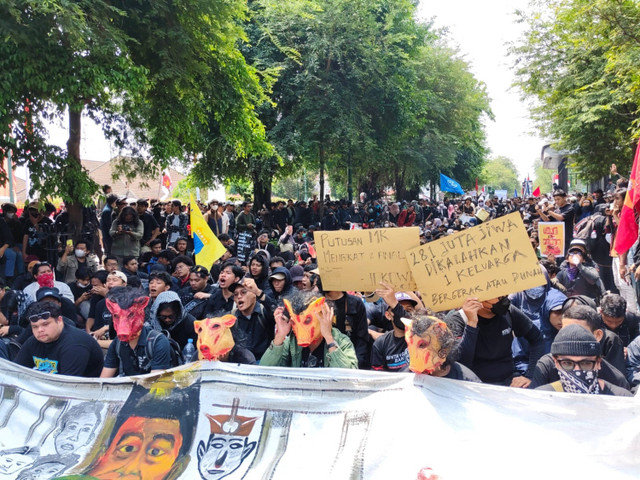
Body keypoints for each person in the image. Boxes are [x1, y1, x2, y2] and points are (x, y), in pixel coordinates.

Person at [446, 296, 544, 387]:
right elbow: (461, 362)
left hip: (509, 383)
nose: (504, 300)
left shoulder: (509, 311)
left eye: (504, 296)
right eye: (498, 297)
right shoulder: (457, 321)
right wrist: (472, 324)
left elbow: (537, 339)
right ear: (480, 300)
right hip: (475, 386)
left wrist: (530, 375)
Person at [529, 304, 630, 390]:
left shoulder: (616, 381)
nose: (570, 336)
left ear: (598, 335)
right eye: (565, 331)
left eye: (579, 332)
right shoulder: (546, 366)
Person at [260, 293, 358, 368]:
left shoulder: (342, 341)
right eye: (295, 323)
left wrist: (329, 339)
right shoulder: (291, 342)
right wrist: (280, 335)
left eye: (307, 321)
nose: (300, 328)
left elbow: (349, 376)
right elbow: (264, 371)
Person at [535, 324, 632, 396]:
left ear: (598, 362)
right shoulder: (542, 398)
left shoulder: (621, 398)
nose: (577, 370)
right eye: (567, 363)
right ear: (556, 362)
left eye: (586, 363)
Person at [14, 302, 103, 376]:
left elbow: (68, 385)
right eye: (35, 327)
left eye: (45, 324)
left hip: (82, 391)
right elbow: (16, 372)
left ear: (60, 321)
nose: (40, 330)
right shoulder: (33, 341)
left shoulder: (75, 344)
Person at [100, 287, 172, 377]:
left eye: (131, 315)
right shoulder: (117, 343)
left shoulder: (158, 341)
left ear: (141, 314)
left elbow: (155, 381)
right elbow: (104, 379)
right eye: (116, 316)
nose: (123, 326)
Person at [231, 280, 274, 360]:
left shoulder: (263, 312)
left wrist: (259, 293)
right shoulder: (232, 317)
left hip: (263, 362)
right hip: (242, 363)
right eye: (235, 294)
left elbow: (275, 310)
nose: (239, 296)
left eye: (243, 292)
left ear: (254, 295)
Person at [538, 189, 575, 257]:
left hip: (566, 240)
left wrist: (548, 210)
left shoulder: (570, 208)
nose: (556, 201)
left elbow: (561, 217)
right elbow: (547, 220)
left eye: (558, 199)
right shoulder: (557, 210)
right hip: (556, 240)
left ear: (564, 198)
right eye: (555, 200)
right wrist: (540, 212)